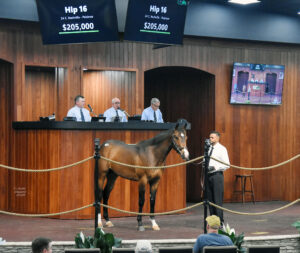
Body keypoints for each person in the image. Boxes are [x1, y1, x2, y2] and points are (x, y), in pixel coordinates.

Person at [207, 131, 230, 224]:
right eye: (210, 137)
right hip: (208, 175)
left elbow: (227, 164)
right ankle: (213, 222)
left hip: (217, 176)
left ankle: (220, 222)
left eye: (212, 137)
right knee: (210, 200)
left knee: (217, 200)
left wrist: (215, 167)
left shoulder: (222, 149)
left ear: (217, 138)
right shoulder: (209, 148)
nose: (210, 139)